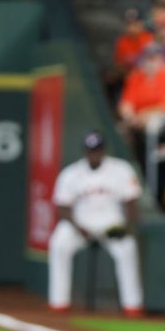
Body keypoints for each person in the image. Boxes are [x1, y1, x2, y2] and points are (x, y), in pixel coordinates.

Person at [48, 132, 145, 318]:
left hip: (111, 224)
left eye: (98, 150)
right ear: (85, 152)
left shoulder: (121, 169)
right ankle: (58, 302)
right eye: (91, 150)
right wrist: (78, 228)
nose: (94, 154)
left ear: (104, 150)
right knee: (59, 242)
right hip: (80, 225)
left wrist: (127, 228)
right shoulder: (71, 173)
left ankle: (132, 305)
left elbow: (131, 203)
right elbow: (63, 207)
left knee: (127, 247)